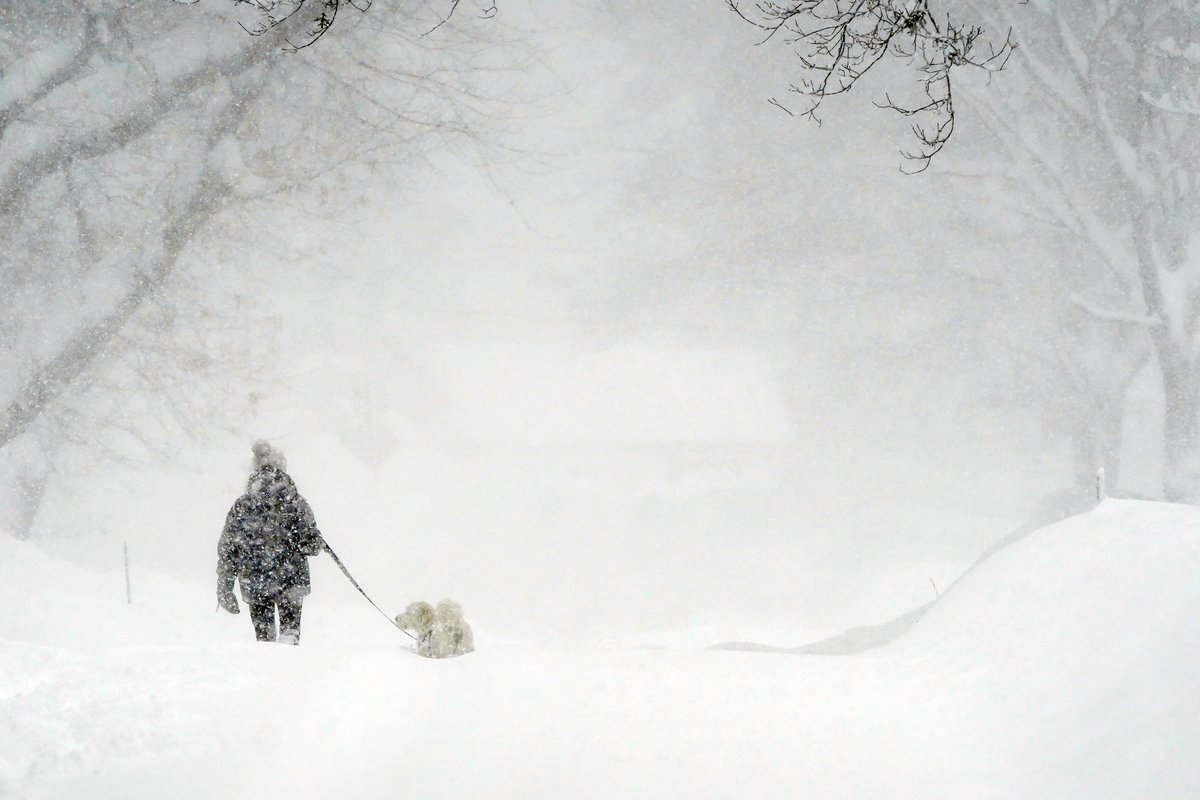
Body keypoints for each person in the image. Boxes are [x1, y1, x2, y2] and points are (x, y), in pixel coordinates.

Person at [217, 441, 325, 644]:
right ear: (282, 468)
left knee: (264, 640)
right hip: (291, 579)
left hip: (256, 581)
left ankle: (268, 669)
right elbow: (311, 545)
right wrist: (311, 541)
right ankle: (289, 663)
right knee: (289, 635)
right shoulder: (296, 503)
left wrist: (224, 587)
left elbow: (229, 549)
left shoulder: (243, 505)